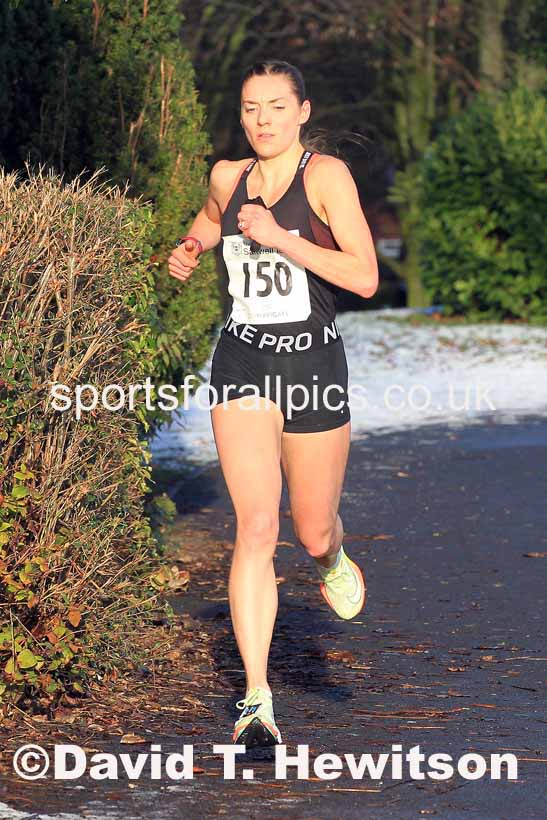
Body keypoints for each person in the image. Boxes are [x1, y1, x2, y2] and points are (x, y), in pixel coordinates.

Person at [168, 60, 378, 750]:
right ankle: (256, 700)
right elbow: (207, 218)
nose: (262, 119)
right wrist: (194, 245)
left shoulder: (324, 178)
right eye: (251, 108)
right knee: (256, 528)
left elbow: (364, 275)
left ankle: (330, 559)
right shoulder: (228, 177)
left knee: (311, 529)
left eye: (275, 107)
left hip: (313, 363)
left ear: (302, 112)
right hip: (242, 361)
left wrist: (283, 238)